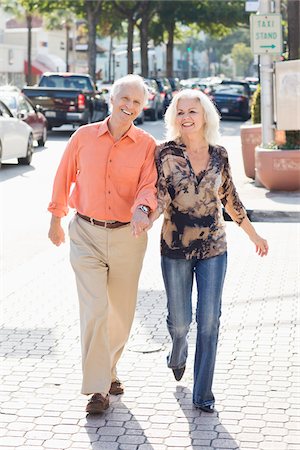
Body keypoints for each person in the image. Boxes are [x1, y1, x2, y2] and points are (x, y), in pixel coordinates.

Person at [150, 89, 268, 413]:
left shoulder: (220, 155)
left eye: (193, 111)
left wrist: (253, 235)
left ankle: (203, 394)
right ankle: (177, 349)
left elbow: (230, 198)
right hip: (174, 248)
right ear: (174, 117)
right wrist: (143, 220)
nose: (186, 117)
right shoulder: (165, 154)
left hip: (214, 247)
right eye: (181, 112)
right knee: (180, 322)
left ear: (205, 116)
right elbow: (158, 197)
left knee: (209, 319)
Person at [48, 74, 157, 414]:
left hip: (129, 235)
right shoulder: (83, 137)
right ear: (112, 99)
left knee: (120, 315)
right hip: (86, 234)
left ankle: (109, 370)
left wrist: (142, 210)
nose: (129, 105)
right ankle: (98, 390)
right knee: (95, 309)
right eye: (124, 98)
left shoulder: (146, 144)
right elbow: (64, 175)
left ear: (143, 106)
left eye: (137, 102)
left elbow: (149, 185)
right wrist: (56, 217)